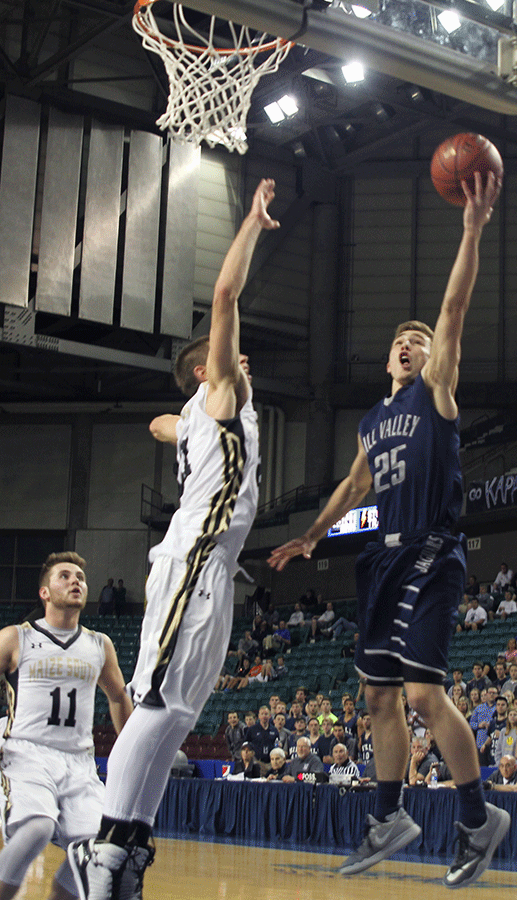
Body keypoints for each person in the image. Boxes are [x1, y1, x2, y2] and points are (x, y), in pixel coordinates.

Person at [268, 171, 508, 886]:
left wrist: (470, 231)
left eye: (419, 339)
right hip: (380, 559)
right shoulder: (376, 421)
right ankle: (389, 815)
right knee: (377, 696)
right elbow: (353, 485)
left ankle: (476, 816)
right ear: (387, 357)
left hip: (433, 550)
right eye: (402, 339)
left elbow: (455, 304)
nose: (410, 343)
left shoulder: (437, 394)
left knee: (424, 696)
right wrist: (312, 536)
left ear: (432, 357)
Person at [68, 179, 278, 900]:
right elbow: (224, 298)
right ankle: (100, 847)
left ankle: (130, 849)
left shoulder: (196, 415)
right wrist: (249, 225)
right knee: (156, 703)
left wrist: (174, 423)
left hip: (213, 566)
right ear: (205, 370)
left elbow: (162, 426)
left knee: (181, 712)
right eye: (230, 360)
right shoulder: (219, 392)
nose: (243, 362)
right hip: (192, 558)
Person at [0, 552, 132, 900]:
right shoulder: (16, 637)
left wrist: (132, 748)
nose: (76, 581)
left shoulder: (99, 644)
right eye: (65, 576)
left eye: (80, 578)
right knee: (37, 828)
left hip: (79, 762)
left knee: (102, 849)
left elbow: (117, 697)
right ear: (45, 592)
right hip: (26, 754)